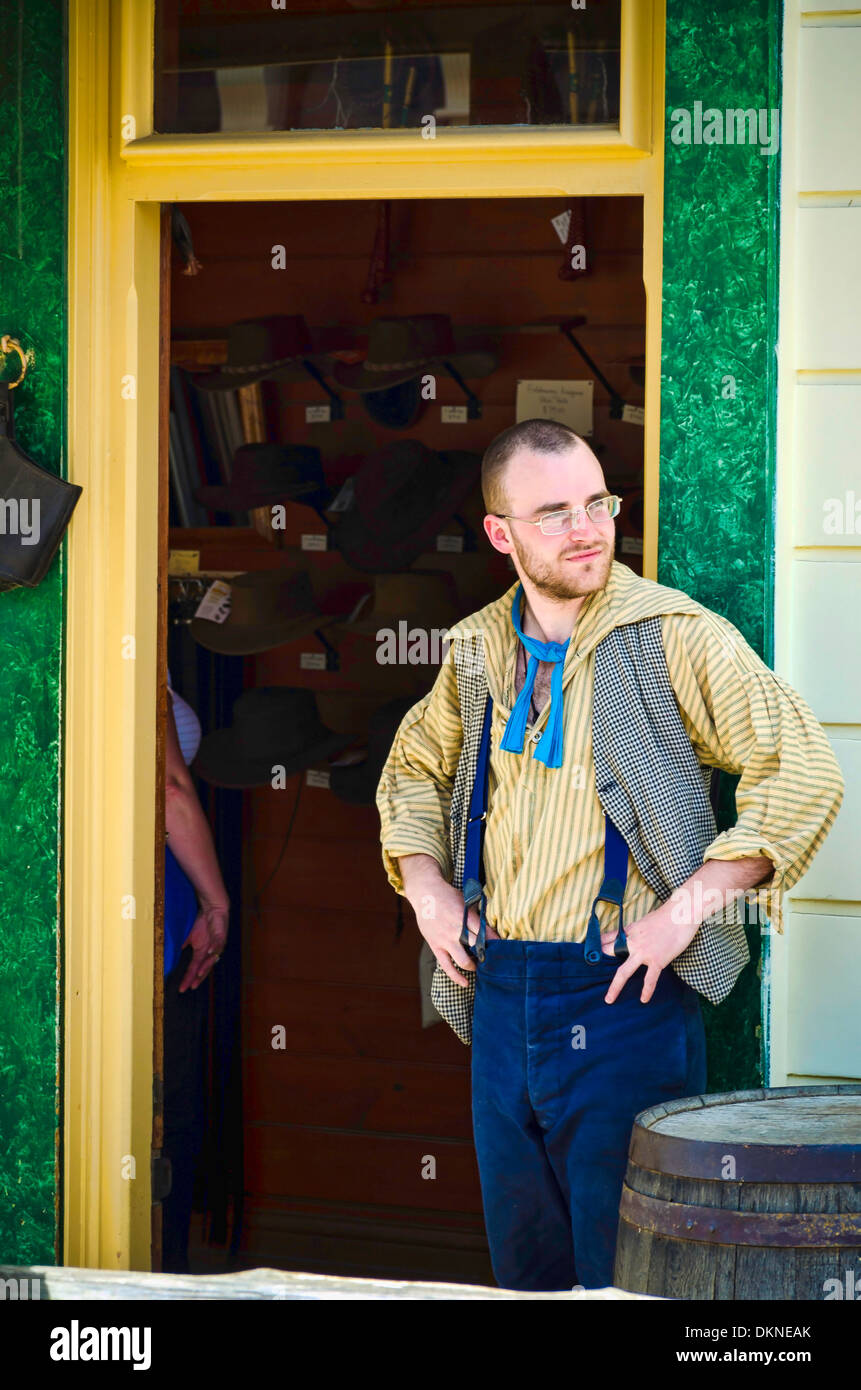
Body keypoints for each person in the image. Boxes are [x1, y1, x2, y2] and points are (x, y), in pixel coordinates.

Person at [376, 418, 844, 1292]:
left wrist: (683, 913)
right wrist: (427, 889)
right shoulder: (477, 647)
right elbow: (412, 769)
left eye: (597, 501)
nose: (586, 527)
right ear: (499, 534)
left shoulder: (673, 635)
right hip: (498, 988)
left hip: (623, 992)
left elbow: (802, 772)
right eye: (553, 512)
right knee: (527, 1269)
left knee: (621, 1274)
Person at [162, 668, 230, 1273]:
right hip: (160, 929)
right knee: (170, 1118)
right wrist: (216, 900)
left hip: (158, 922)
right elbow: (170, 790)